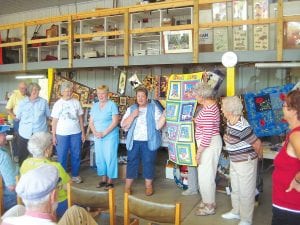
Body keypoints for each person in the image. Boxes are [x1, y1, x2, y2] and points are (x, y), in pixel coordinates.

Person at [1, 165, 98, 225]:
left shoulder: (6, 221)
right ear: (53, 196)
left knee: (19, 208)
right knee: (76, 211)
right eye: (58, 187)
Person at [221, 96, 262, 225]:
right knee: (236, 189)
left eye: (223, 107)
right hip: (235, 160)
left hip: (245, 162)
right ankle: (236, 211)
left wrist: (256, 159)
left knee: (246, 192)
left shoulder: (242, 127)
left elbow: (257, 143)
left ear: (230, 111)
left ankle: (246, 219)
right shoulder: (230, 121)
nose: (221, 109)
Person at [121, 86, 165, 196]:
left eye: (142, 96)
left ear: (146, 97)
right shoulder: (131, 109)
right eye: (138, 96)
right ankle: (127, 186)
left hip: (149, 141)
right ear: (136, 97)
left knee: (148, 162)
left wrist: (165, 115)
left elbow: (158, 126)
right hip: (134, 141)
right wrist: (133, 115)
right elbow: (123, 125)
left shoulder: (153, 108)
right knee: (131, 162)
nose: (140, 98)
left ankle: (148, 186)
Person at [20, 132, 70, 218]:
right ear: (46, 150)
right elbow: (69, 184)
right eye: (51, 147)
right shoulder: (55, 167)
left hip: (31, 203)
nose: (52, 148)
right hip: (56, 204)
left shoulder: (25, 163)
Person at [193, 82, 222, 216]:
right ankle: (207, 201)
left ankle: (209, 206)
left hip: (208, 145)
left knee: (206, 176)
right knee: (204, 174)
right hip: (208, 144)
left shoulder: (209, 109)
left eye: (196, 95)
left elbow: (208, 134)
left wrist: (199, 153)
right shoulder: (209, 106)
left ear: (202, 96)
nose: (195, 97)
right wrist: (196, 120)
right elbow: (205, 124)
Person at [271, 89, 300, 225]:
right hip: (285, 204)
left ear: (293, 110)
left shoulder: (297, 135)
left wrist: (298, 180)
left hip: (290, 207)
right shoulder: (292, 134)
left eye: (284, 104)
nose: (282, 107)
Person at [51, 81, 85, 184]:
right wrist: (53, 136)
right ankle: (62, 176)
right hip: (61, 134)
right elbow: (54, 121)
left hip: (76, 133)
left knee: (76, 154)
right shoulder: (58, 104)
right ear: (62, 92)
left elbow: (80, 118)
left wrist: (83, 133)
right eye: (66, 91)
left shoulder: (76, 102)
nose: (68, 93)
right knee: (62, 156)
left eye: (70, 91)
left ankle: (75, 175)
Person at [89, 85, 119, 189]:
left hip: (110, 136)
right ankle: (103, 179)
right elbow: (91, 122)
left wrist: (104, 133)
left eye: (103, 93)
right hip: (98, 136)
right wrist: (95, 132)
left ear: (107, 94)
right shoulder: (95, 106)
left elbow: (115, 122)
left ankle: (110, 181)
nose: (101, 96)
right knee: (100, 158)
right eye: (99, 94)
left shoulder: (112, 105)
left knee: (110, 157)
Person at [16, 82, 50, 166]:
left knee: (40, 156)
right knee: (22, 156)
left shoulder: (44, 102)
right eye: (34, 90)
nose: (37, 92)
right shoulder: (22, 103)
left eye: (38, 90)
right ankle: (22, 174)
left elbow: (49, 116)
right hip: (24, 134)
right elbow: (18, 117)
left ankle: (40, 175)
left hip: (39, 134)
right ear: (29, 91)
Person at [5, 81, 27, 160]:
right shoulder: (14, 95)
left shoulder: (28, 96)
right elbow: (8, 108)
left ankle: (25, 155)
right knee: (18, 138)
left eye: (25, 88)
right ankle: (17, 155)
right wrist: (13, 117)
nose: (23, 90)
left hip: (27, 121)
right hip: (18, 120)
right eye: (22, 88)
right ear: (19, 88)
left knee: (26, 138)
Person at [0, 125, 17, 212]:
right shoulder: (3, 155)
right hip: (6, 199)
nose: (6, 135)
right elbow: (12, 186)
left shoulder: (3, 150)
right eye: (3, 133)